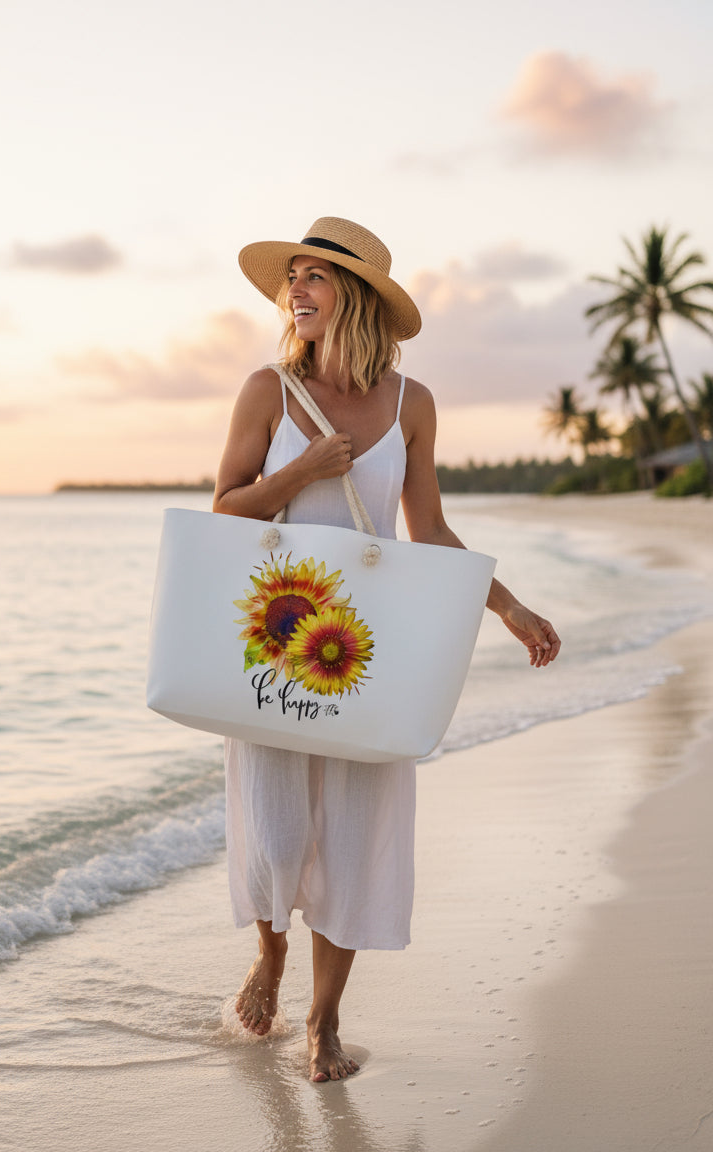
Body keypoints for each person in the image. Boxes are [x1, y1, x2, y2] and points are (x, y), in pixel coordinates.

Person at [212, 217, 561, 1083]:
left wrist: (508, 606)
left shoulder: (413, 405)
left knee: (357, 834)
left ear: (356, 295)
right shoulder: (266, 390)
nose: (295, 289)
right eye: (291, 276)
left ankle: (325, 1024)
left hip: (364, 654)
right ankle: (270, 954)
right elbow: (224, 508)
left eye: (315, 276)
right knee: (276, 830)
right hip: (277, 642)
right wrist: (301, 473)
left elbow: (430, 530)